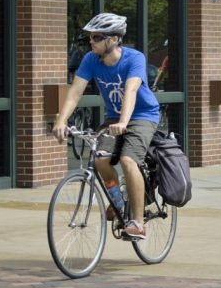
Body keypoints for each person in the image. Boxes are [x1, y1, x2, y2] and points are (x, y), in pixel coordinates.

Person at [52, 13, 161, 240]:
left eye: (97, 37)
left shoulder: (134, 58)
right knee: (100, 159)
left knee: (128, 159)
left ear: (113, 40)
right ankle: (118, 200)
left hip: (142, 115)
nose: (91, 41)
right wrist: (61, 120)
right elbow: (75, 92)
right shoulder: (91, 59)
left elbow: (130, 91)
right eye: (90, 37)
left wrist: (123, 122)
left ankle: (138, 223)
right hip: (114, 117)